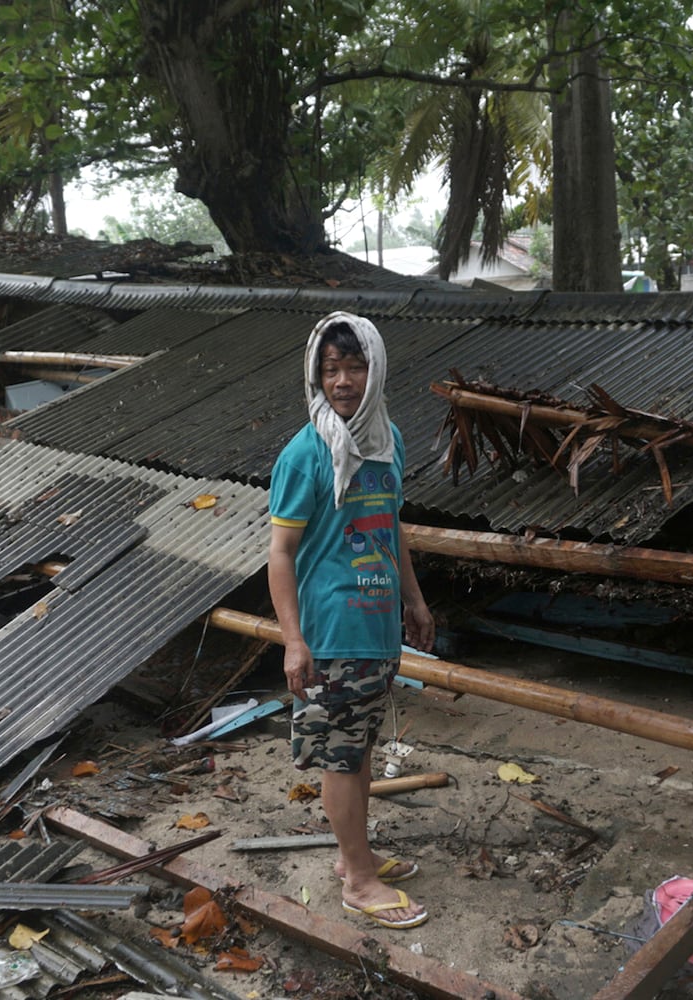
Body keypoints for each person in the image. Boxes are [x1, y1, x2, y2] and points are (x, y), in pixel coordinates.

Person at [268, 311, 435, 930]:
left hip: (376, 626)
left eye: (354, 366)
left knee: (358, 746)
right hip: (332, 630)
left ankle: (351, 859)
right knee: (341, 756)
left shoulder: (386, 441)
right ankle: (360, 882)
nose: (342, 381)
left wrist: (412, 601)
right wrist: (292, 641)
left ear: (376, 368)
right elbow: (280, 554)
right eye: (330, 369)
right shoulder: (304, 453)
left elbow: (392, 529)